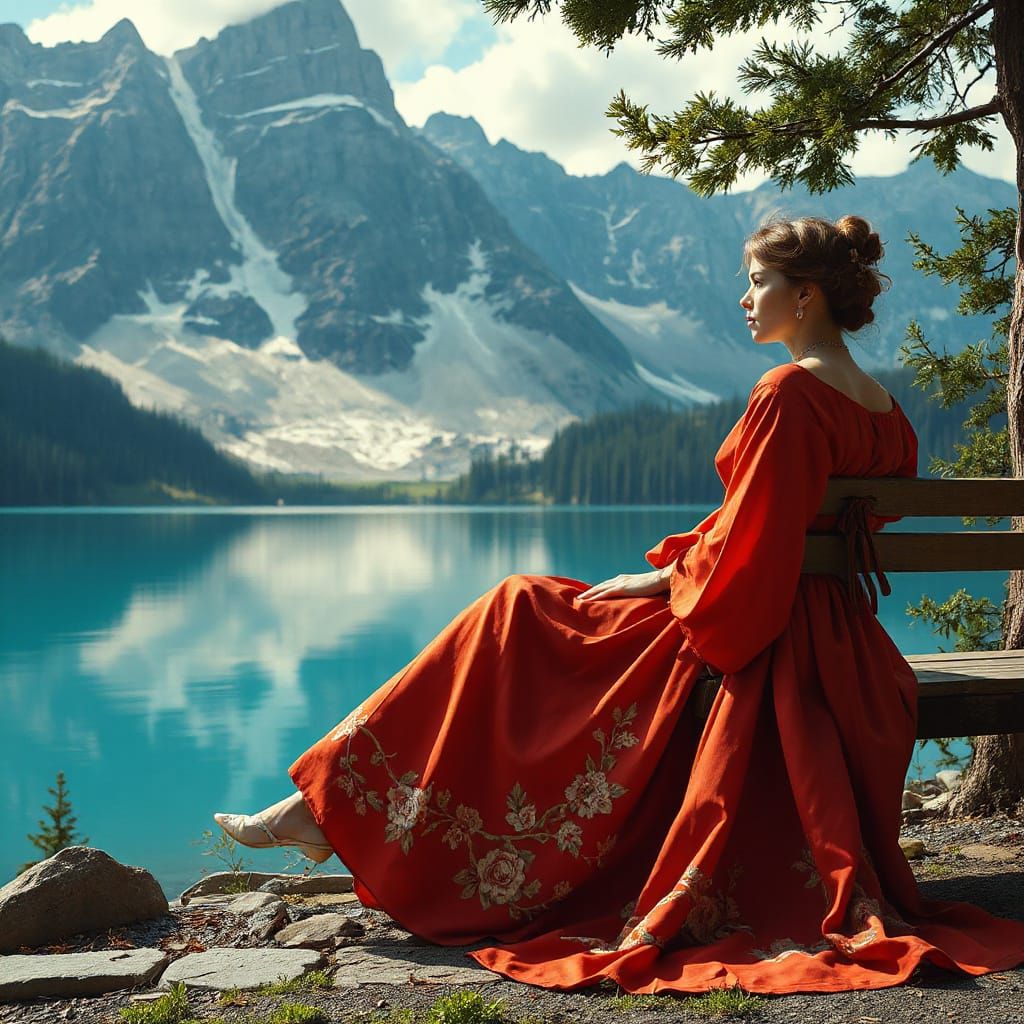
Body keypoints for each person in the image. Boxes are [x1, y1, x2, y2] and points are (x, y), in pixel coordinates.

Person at [215, 215, 1024, 993]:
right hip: (840, 636)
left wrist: (665, 578)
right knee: (526, 611)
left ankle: (332, 805)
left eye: (758, 282)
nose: (745, 299)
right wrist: (687, 564)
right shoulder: (882, 409)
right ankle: (326, 809)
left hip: (766, 626)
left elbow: (754, 550)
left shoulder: (787, 392)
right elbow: (794, 522)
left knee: (515, 608)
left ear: (805, 295)